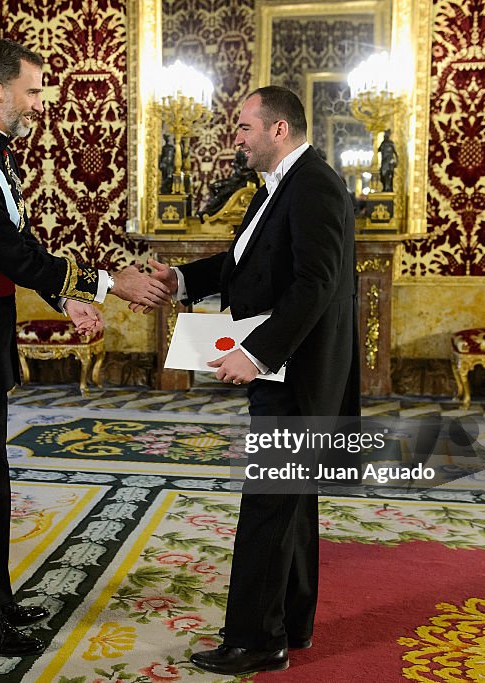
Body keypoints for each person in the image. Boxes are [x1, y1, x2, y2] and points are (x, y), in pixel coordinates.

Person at [0, 39, 170, 658]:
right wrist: (104, 283)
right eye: (30, 92)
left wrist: (66, 301)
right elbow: (8, 249)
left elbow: (3, 257)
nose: (37, 104)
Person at [144, 86, 359, 676]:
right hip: (286, 371)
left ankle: (255, 641)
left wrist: (257, 355)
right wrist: (181, 280)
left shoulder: (313, 185)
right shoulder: (282, 185)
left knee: (268, 504)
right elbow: (247, 262)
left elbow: (314, 283)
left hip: (296, 376)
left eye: (243, 127)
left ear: (279, 130)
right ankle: (292, 622)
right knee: (290, 503)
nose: (235, 138)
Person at [199, 149, 260, 217]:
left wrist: (239, 171)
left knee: (224, 193)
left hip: (242, 183)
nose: (233, 163)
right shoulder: (243, 154)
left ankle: (210, 211)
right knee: (215, 186)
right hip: (236, 180)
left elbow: (245, 172)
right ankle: (210, 210)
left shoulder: (250, 165)